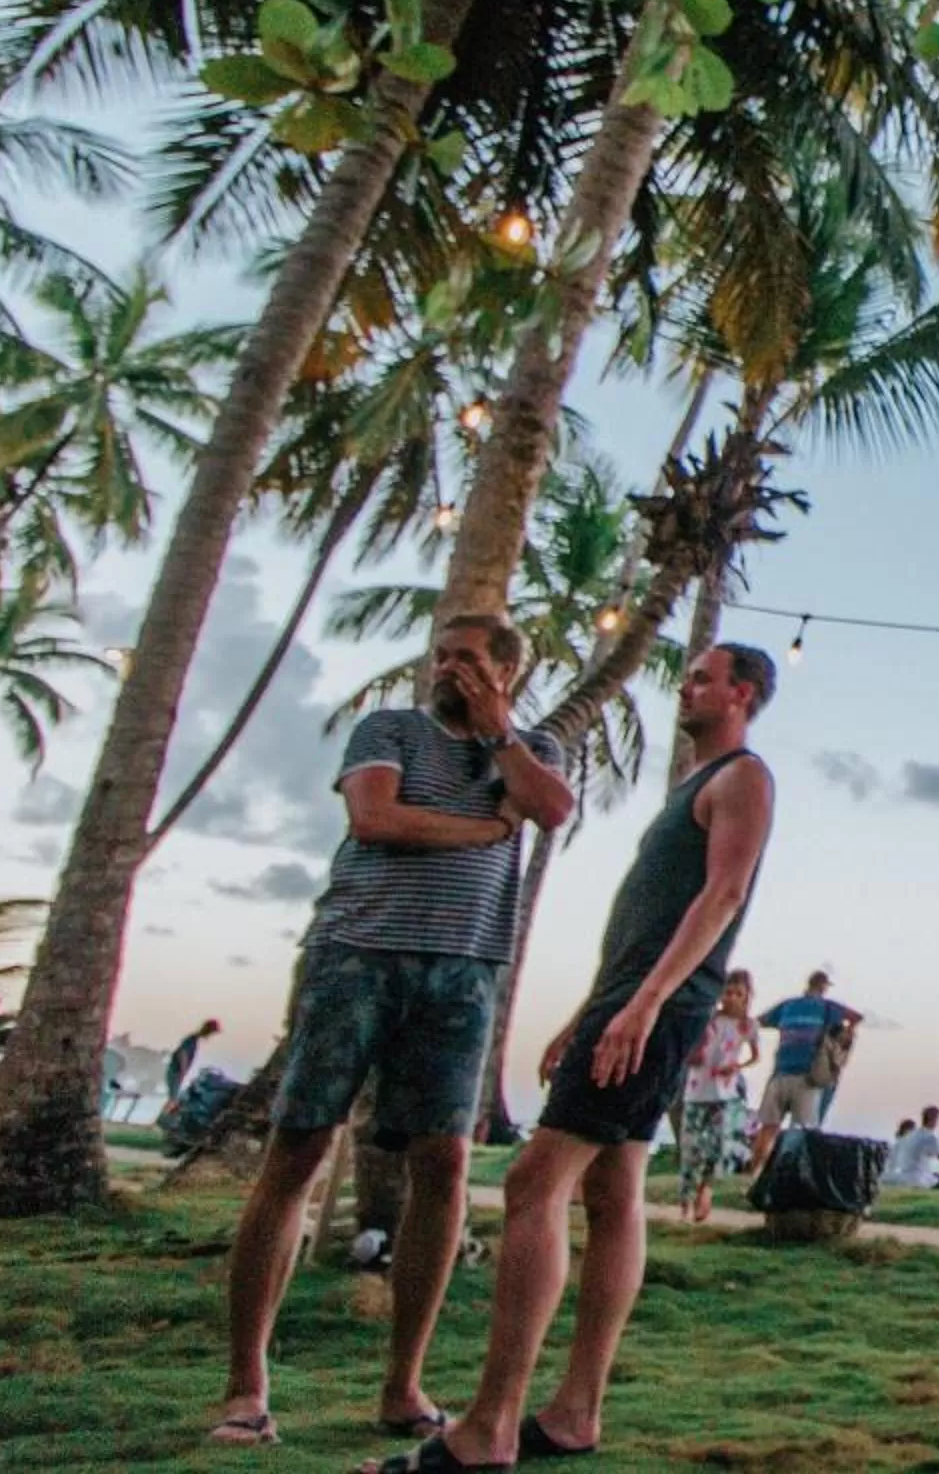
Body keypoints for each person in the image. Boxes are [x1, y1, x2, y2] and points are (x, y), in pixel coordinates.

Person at [371, 643, 779, 1474]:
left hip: (655, 1008)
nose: (686, 687)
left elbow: (723, 897)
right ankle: (572, 1415)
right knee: (613, 1190)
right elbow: (647, 917)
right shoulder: (695, 787)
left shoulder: (744, 777)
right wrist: (590, 1011)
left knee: (534, 1182)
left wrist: (644, 1005)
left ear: (742, 692)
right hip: (633, 1004)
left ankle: (488, 1429)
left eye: (703, 677)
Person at [207, 613, 573, 1452]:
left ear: (506, 675)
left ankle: (403, 1386)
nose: (447, 669)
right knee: (298, 1148)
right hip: (355, 955)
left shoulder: (532, 751)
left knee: (440, 1165)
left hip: (464, 973)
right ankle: (245, 1387)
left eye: (469, 661)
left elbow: (550, 809)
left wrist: (497, 734)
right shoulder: (389, 728)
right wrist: (484, 829)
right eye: (441, 657)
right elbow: (375, 818)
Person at [747, 969, 860, 1174]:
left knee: (768, 1128)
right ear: (824, 987)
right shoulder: (829, 1008)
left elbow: (757, 1022)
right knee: (804, 1133)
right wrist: (846, 1033)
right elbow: (857, 1017)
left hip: (780, 1073)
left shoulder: (787, 1006)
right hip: (809, 1077)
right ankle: (792, 1177)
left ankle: (753, 1173)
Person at [675, 969, 756, 1224]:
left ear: (746, 997)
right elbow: (686, 1049)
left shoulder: (748, 1025)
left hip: (725, 1093)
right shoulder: (707, 1019)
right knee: (691, 1148)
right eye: (727, 992)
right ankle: (685, 1202)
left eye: (738, 994)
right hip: (696, 1091)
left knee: (718, 1147)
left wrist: (737, 1067)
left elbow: (755, 1056)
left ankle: (705, 1192)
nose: (731, 998)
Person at [887, 1105, 939, 1197]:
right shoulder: (929, 1137)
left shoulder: (912, 1134)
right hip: (919, 1181)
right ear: (933, 1119)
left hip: (906, 1177)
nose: (937, 1122)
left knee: (938, 1177)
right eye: (937, 1118)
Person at [166, 1018, 223, 1104]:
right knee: (173, 1100)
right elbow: (182, 1053)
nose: (211, 1035)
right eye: (212, 1032)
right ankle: (166, 1116)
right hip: (175, 1072)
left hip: (176, 1072)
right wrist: (183, 1070)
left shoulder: (195, 1040)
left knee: (173, 1098)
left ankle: (165, 1115)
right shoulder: (192, 1039)